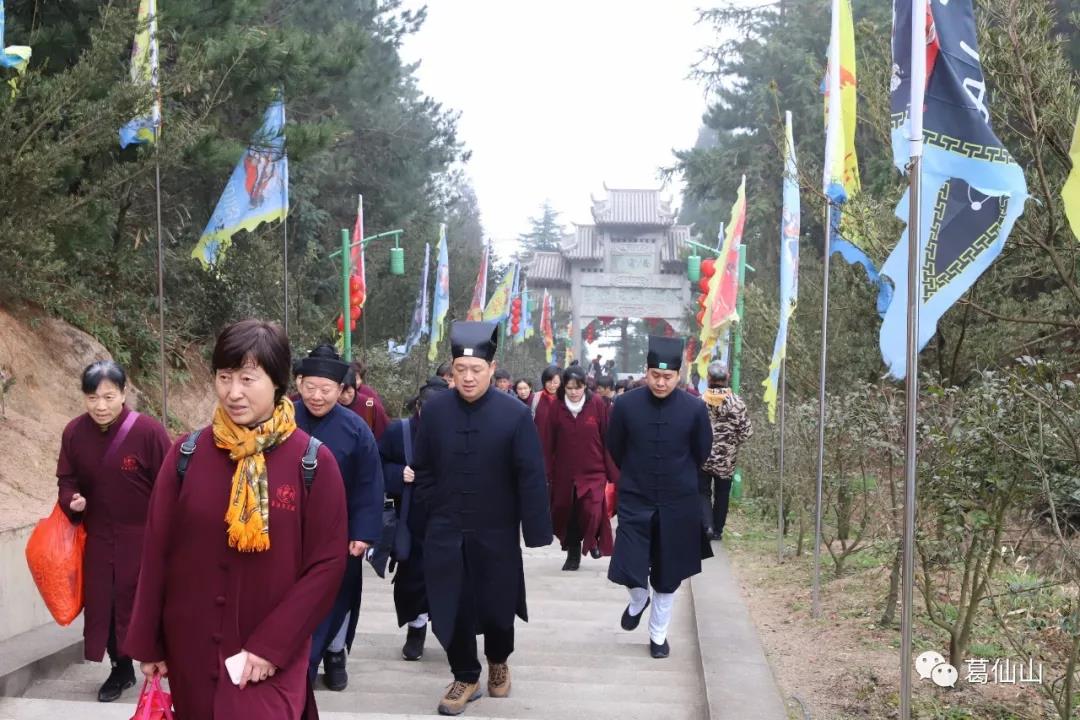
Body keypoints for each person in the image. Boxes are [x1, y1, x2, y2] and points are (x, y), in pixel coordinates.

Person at [125, 319, 347, 719]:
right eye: (224, 377)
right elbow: (156, 548)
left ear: (278, 381)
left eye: (248, 378)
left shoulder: (311, 462)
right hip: (189, 646)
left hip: (267, 655)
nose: (233, 392)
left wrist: (273, 644)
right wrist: (150, 642)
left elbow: (327, 566)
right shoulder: (187, 455)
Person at [412, 321, 552, 716]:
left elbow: (530, 474)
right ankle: (465, 674)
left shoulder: (514, 414)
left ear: (492, 369)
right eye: (461, 370)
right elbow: (421, 468)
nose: (468, 377)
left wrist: (536, 530)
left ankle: (499, 659)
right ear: (452, 371)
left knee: (497, 605)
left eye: (476, 370)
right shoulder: (435, 411)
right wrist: (432, 506)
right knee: (447, 604)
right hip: (445, 526)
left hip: (496, 529)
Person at [56, 360, 172, 703]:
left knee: (148, 604)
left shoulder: (148, 432)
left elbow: (169, 486)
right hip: (100, 538)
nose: (101, 406)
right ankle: (120, 669)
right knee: (104, 607)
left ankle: (165, 664)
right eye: (93, 398)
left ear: (124, 393)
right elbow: (67, 479)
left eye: (109, 396)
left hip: (144, 539)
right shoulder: (74, 432)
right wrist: (71, 501)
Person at [606, 336, 713, 660]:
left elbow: (701, 451)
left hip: (678, 501)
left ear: (679, 376)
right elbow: (616, 446)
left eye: (668, 377)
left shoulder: (694, 408)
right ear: (647, 371)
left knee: (668, 574)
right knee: (628, 563)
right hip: (636, 496)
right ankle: (638, 599)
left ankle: (658, 634)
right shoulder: (625, 405)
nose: (661, 382)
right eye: (655, 375)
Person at [293, 345, 385, 690]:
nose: (317, 396)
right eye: (310, 387)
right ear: (299, 384)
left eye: (326, 389)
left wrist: (362, 533)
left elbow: (368, 483)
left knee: (338, 595)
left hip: (339, 531)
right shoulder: (282, 418)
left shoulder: (356, 429)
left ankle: (334, 654)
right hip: (288, 529)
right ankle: (297, 662)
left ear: (341, 390)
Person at [378, 376, 450, 662]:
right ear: (418, 407)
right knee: (413, 577)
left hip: (450, 515)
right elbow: (377, 464)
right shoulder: (400, 431)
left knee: (451, 576)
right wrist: (399, 474)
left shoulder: (462, 430)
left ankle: (451, 632)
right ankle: (416, 630)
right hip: (412, 516)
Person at [543, 365, 616, 571]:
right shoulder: (556, 408)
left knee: (591, 510)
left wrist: (612, 472)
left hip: (594, 470)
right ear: (563, 388)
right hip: (564, 472)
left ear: (585, 386)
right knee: (567, 512)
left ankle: (592, 540)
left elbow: (606, 438)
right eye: (569, 388)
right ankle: (573, 554)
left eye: (578, 387)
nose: (574, 392)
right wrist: (546, 471)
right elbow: (548, 442)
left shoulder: (597, 404)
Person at [699, 362, 753, 541]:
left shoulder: (699, 402)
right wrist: (731, 444)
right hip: (726, 460)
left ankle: (706, 525)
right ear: (727, 377)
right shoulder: (737, 403)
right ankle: (717, 531)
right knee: (722, 494)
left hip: (703, 456)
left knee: (703, 492)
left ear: (708, 378)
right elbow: (746, 433)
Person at [342, 359, 390, 441]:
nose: (345, 396)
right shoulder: (333, 401)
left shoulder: (369, 398)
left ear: (361, 379)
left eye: (356, 378)